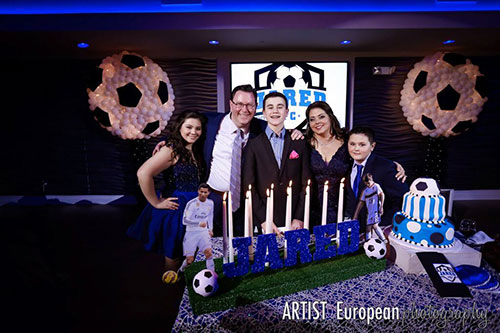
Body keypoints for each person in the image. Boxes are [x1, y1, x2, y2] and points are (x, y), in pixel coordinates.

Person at [153, 85, 303, 236]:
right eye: (239, 104)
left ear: (256, 107)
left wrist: (295, 132)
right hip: (213, 198)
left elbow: (280, 129)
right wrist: (168, 140)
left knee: (243, 249)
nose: (244, 109)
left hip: (246, 205)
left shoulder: (261, 127)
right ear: (231, 104)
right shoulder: (209, 122)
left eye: (250, 105)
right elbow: (185, 128)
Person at [127, 111, 206, 275]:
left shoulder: (195, 148)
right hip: (177, 208)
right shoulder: (171, 150)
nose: (193, 132)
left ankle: (187, 289)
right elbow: (143, 173)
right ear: (179, 128)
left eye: (198, 128)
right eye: (189, 127)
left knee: (190, 251)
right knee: (173, 250)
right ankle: (171, 289)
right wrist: (155, 202)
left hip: (195, 207)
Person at [305, 101, 406, 224]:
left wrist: (395, 165)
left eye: (321, 116)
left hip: (344, 208)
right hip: (312, 208)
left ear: (330, 117)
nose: (317, 122)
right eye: (312, 119)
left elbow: (367, 151)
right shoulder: (304, 143)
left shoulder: (347, 139)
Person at [242, 92, 311, 234]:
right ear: (264, 112)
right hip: (265, 220)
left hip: (294, 220)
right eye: (270, 107)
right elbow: (248, 185)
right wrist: (263, 218)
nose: (275, 111)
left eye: (280, 107)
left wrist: (299, 216)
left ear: (287, 112)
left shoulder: (298, 142)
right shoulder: (253, 144)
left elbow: (306, 183)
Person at [345, 126, 409, 231]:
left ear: (372, 146)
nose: (356, 149)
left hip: (379, 230)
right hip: (354, 229)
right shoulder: (346, 166)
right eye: (352, 144)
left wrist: (384, 225)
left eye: (362, 145)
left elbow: (401, 200)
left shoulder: (386, 167)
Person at [178, 183, 215, 275]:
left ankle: (212, 275)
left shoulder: (210, 203)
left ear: (208, 193)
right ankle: (181, 271)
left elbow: (210, 216)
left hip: (203, 233)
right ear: (198, 191)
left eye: (205, 192)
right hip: (191, 233)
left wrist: (210, 229)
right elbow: (184, 220)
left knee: (209, 253)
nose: (202, 194)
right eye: (201, 192)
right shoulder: (191, 204)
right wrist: (198, 223)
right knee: (190, 260)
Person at [353, 173, 387, 242]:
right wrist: (356, 215)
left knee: (375, 225)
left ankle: (383, 239)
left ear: (371, 180)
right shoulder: (365, 191)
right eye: (366, 183)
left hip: (376, 210)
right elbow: (361, 202)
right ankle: (368, 241)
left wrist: (381, 206)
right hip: (369, 212)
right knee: (368, 228)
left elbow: (382, 195)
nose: (368, 185)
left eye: (369, 183)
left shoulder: (376, 186)